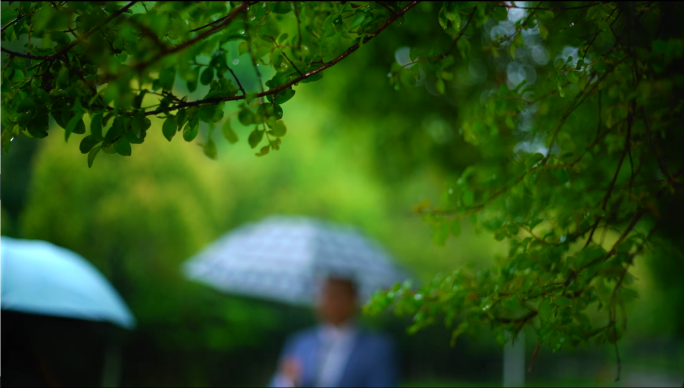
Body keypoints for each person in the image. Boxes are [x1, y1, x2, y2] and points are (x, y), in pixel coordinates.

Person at [270, 276, 398, 387]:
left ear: (354, 299)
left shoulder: (377, 348)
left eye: (337, 295)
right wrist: (289, 382)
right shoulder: (300, 342)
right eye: (324, 294)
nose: (330, 301)